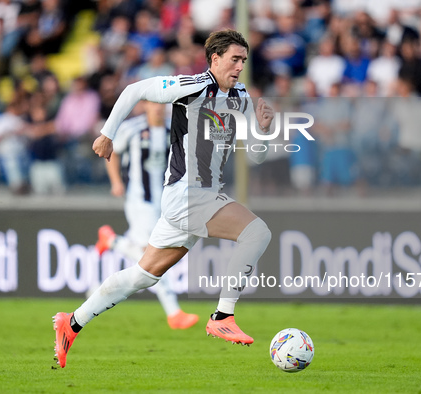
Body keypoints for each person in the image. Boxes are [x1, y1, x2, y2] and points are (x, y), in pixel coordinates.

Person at [53, 29, 274, 369]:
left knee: (143, 275)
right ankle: (221, 316)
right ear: (214, 59)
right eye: (234, 59)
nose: (239, 66)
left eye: (243, 60)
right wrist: (107, 134)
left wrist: (263, 130)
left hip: (198, 198)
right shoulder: (193, 87)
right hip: (187, 194)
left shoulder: (241, 97)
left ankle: (72, 321)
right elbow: (135, 89)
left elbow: (256, 157)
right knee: (257, 233)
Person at [90, 100, 198, 330]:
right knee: (149, 254)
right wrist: (116, 181)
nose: (158, 108)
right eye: (153, 104)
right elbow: (112, 152)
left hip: (166, 201)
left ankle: (110, 241)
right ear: (146, 105)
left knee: (143, 253)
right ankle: (174, 312)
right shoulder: (132, 128)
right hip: (140, 199)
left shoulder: (174, 129)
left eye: (162, 104)